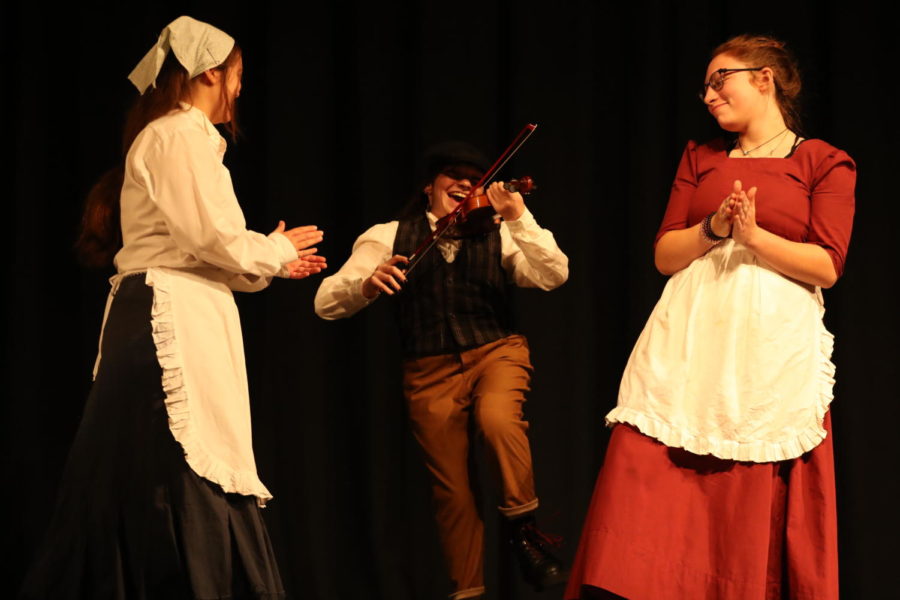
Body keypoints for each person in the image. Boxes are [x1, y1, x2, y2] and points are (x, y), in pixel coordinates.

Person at [19, 16, 326, 600]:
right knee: (171, 465)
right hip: (167, 319)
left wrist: (272, 261)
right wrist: (273, 249)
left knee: (162, 463)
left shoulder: (184, 140)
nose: (240, 90)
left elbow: (210, 251)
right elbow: (210, 238)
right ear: (212, 71)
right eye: (238, 76)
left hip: (184, 309)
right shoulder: (177, 135)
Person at [565, 34, 855, 600]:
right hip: (691, 334)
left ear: (764, 78)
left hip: (770, 343)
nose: (708, 95)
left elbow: (826, 265)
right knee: (647, 468)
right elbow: (664, 254)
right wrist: (715, 230)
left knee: (746, 482)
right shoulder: (701, 158)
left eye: (720, 79)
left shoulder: (822, 161)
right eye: (704, 87)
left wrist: (753, 236)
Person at [314, 142, 569, 600]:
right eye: (454, 174)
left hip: (495, 351)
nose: (467, 184)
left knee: (498, 420)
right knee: (452, 493)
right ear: (429, 186)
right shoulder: (388, 235)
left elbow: (554, 275)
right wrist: (367, 285)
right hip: (428, 369)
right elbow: (326, 303)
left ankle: (524, 531)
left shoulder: (498, 230)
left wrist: (518, 217)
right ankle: (467, 593)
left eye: (476, 177)